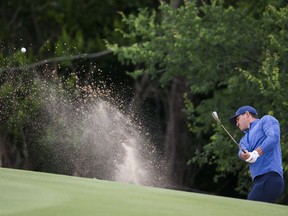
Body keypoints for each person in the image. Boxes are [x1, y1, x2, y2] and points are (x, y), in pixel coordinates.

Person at [228, 105, 284, 203]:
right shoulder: (244, 139)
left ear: (247, 114)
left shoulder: (266, 120)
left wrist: (256, 153)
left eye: (238, 119)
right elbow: (241, 152)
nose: (237, 123)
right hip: (259, 181)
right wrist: (244, 155)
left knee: (250, 209)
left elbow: (274, 137)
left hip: (271, 177)